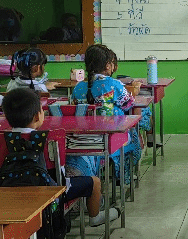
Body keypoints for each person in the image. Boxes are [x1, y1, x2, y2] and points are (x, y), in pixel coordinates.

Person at [1, 88, 120, 227]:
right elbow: (60, 172)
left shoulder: (4, 139)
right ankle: (95, 217)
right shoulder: (49, 137)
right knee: (95, 182)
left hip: (8, 189)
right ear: (37, 116)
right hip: (50, 192)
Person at [70, 44, 141, 183]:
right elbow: (128, 104)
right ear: (108, 66)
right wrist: (135, 91)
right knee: (133, 134)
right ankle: (123, 175)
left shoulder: (78, 87)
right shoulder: (113, 84)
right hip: (109, 138)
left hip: (83, 140)